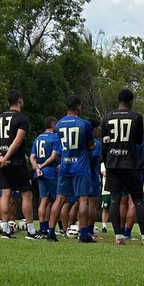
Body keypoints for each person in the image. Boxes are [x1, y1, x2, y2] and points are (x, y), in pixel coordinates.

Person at [102, 88, 144, 246]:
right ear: (131, 102)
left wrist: (106, 161)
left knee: (115, 200)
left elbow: (104, 143)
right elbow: (138, 140)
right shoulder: (136, 117)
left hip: (112, 163)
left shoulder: (107, 117)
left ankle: (118, 236)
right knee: (138, 201)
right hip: (129, 163)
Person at [0, 89, 35, 240]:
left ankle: (6, 231)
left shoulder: (0, 118)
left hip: (3, 162)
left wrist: (0, 157)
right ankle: (31, 231)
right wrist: (6, 157)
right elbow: (18, 140)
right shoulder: (22, 118)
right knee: (26, 195)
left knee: (5, 195)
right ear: (20, 100)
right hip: (17, 161)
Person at [49, 96, 94, 242]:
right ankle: (84, 234)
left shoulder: (59, 124)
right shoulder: (84, 124)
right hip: (80, 166)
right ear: (78, 107)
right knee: (83, 199)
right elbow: (90, 145)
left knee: (60, 199)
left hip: (65, 165)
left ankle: (51, 232)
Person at [31, 115, 61, 241]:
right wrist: (43, 166)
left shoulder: (38, 138)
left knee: (44, 199)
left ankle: (43, 227)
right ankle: (56, 227)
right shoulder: (55, 138)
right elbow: (53, 156)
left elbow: (32, 157)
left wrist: (37, 168)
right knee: (57, 199)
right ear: (53, 125)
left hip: (40, 172)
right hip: (50, 171)